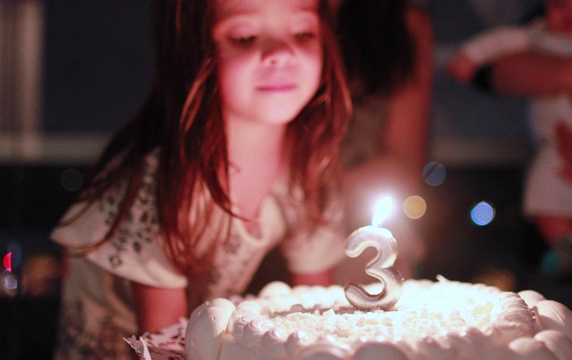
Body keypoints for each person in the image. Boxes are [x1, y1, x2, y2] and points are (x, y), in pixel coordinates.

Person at [49, 0, 351, 358]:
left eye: (303, 32)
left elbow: (316, 315)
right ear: (193, 48)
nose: (282, 52)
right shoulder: (163, 178)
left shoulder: (310, 166)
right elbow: (162, 344)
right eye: (245, 36)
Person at [447, 0, 572, 278]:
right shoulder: (542, 33)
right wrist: (469, 57)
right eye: (560, 5)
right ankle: (565, 243)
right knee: (544, 183)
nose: (571, 12)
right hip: (562, 144)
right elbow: (501, 49)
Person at [330, 0, 433, 284]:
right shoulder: (271, 19)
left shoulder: (402, 28)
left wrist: (307, 199)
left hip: (355, 223)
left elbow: (403, 162)